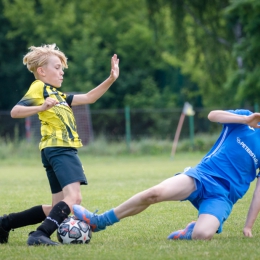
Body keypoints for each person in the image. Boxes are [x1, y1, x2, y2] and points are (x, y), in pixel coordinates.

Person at [73, 109, 260, 240]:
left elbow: (258, 192)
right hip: (202, 176)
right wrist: (244, 120)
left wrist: (248, 226)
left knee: (202, 235)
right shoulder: (246, 119)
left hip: (223, 196)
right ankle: (99, 221)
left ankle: (189, 231)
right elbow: (212, 115)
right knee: (153, 194)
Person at [0, 44, 119, 246]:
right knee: (74, 198)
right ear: (41, 71)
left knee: (57, 206)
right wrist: (41, 107)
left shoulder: (60, 96)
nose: (61, 71)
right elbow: (15, 112)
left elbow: (90, 97)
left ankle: (5, 223)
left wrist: (111, 78)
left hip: (53, 150)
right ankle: (39, 235)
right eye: (57, 67)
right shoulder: (39, 88)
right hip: (60, 149)